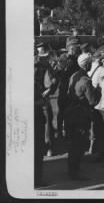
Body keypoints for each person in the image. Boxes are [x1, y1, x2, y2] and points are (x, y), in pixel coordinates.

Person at [65, 53, 97, 180]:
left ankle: (73, 169)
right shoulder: (86, 81)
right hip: (81, 115)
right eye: (90, 63)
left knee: (74, 143)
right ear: (87, 64)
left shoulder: (75, 75)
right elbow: (92, 101)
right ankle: (74, 172)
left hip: (72, 112)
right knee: (79, 144)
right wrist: (98, 91)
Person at [34, 45, 58, 187]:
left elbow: (52, 82)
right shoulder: (43, 65)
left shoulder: (43, 66)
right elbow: (52, 82)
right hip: (34, 106)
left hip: (34, 107)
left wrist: (49, 89)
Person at [55, 41, 81, 141]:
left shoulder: (75, 59)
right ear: (70, 49)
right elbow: (58, 73)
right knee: (62, 111)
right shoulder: (63, 59)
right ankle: (61, 132)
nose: (76, 51)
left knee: (69, 111)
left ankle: (67, 132)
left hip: (71, 88)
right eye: (74, 49)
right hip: (65, 89)